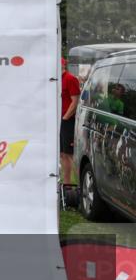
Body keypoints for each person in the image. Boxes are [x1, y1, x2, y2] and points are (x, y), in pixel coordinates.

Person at [61, 57, 81, 189]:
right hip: (60, 120)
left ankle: (80, 185)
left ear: (63, 66)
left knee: (70, 154)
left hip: (68, 121)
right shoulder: (57, 80)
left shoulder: (70, 78)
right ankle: (67, 185)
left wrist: (65, 118)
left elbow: (75, 101)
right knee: (63, 154)